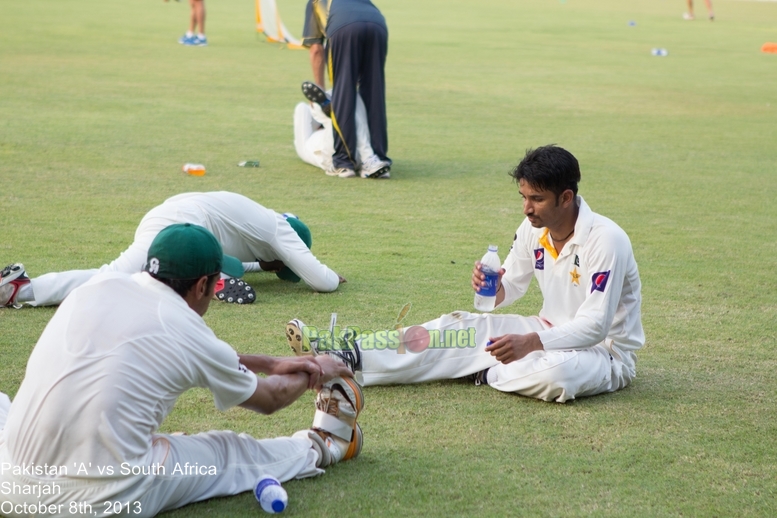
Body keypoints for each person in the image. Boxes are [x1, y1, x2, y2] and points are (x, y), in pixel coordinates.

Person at [0, 223, 363, 518]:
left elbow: (178, 352)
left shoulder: (92, 290)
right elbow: (270, 398)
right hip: (105, 499)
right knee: (227, 453)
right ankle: (326, 445)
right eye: (215, 285)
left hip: (10, 485)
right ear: (203, 284)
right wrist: (315, 367)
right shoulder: (186, 329)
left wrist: (269, 363)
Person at [285, 145, 645, 403]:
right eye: (523, 197)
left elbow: (596, 326)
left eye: (536, 199)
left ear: (566, 198)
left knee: (556, 374)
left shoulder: (606, 240)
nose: (526, 208)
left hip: (602, 354)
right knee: (457, 327)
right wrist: (490, 287)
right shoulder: (532, 228)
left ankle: (482, 370)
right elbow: (510, 289)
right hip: (544, 330)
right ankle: (349, 356)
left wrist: (530, 343)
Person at [0, 191, 345, 309]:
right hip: (181, 229)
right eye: (280, 266)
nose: (271, 268)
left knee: (125, 278)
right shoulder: (278, 228)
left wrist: (254, 267)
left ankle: (216, 275)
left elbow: (249, 263)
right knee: (115, 280)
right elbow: (322, 281)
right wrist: (335, 278)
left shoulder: (257, 226)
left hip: (169, 217)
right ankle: (21, 288)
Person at [301, 0, 390, 179]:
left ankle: (344, 163)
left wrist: (320, 87)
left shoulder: (315, 2)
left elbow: (316, 49)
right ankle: (377, 158)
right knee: (373, 93)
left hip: (344, 28)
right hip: (378, 25)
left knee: (344, 92)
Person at [294, 91, 390, 178]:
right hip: (365, 153)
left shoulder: (309, 144)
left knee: (302, 107)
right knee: (351, 94)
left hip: (334, 157)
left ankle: (328, 112)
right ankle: (329, 110)